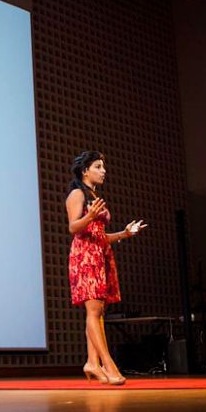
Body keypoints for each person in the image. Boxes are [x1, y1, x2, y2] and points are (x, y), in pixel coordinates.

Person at [65, 151, 146, 386]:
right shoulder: (77, 194)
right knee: (93, 311)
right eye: (98, 166)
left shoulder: (94, 195)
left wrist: (124, 233)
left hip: (100, 254)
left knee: (98, 312)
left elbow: (100, 237)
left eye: (103, 166)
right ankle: (108, 364)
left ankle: (92, 363)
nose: (103, 171)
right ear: (85, 171)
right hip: (84, 256)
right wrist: (89, 216)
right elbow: (73, 227)